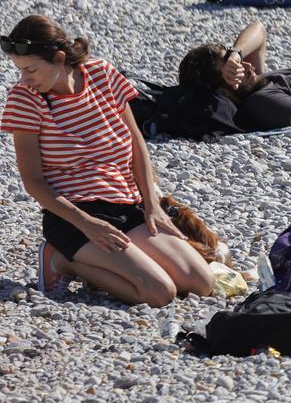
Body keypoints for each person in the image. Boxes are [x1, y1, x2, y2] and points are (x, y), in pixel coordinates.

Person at [2, 16, 213, 305]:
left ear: (59, 58)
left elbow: (136, 143)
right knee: (159, 293)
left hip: (127, 205)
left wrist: (152, 205)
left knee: (201, 282)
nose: (24, 79)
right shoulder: (24, 99)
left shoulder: (102, 74)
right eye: (20, 70)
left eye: (31, 69)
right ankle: (63, 261)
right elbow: (33, 182)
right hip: (73, 216)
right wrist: (87, 223)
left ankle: (113, 261)